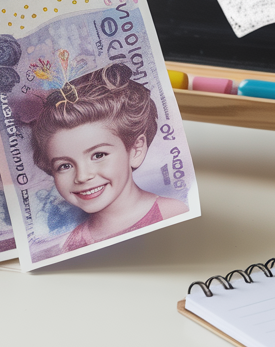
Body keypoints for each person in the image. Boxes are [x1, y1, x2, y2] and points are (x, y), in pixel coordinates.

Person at [29, 63, 188, 251]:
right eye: (64, 165)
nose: (82, 176)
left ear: (136, 150)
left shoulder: (172, 213)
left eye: (98, 155)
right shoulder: (68, 244)